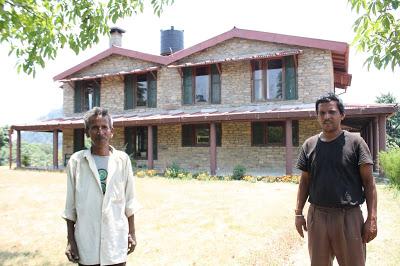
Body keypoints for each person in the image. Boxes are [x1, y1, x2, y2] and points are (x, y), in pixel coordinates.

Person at [295, 93, 377, 266]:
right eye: (322, 113)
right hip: (317, 216)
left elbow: (369, 183)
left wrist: (372, 218)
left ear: (342, 115)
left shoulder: (356, 143)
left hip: (348, 217)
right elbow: (304, 182)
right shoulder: (309, 145)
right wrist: (298, 213)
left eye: (331, 112)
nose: (326, 117)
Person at [62, 107, 141, 265]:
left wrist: (131, 232)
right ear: (87, 132)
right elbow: (70, 207)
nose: (100, 132)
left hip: (115, 243)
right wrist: (70, 240)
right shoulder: (77, 162)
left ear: (112, 131)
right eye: (95, 128)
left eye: (104, 127)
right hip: (87, 244)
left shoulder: (122, 160)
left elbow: (130, 201)